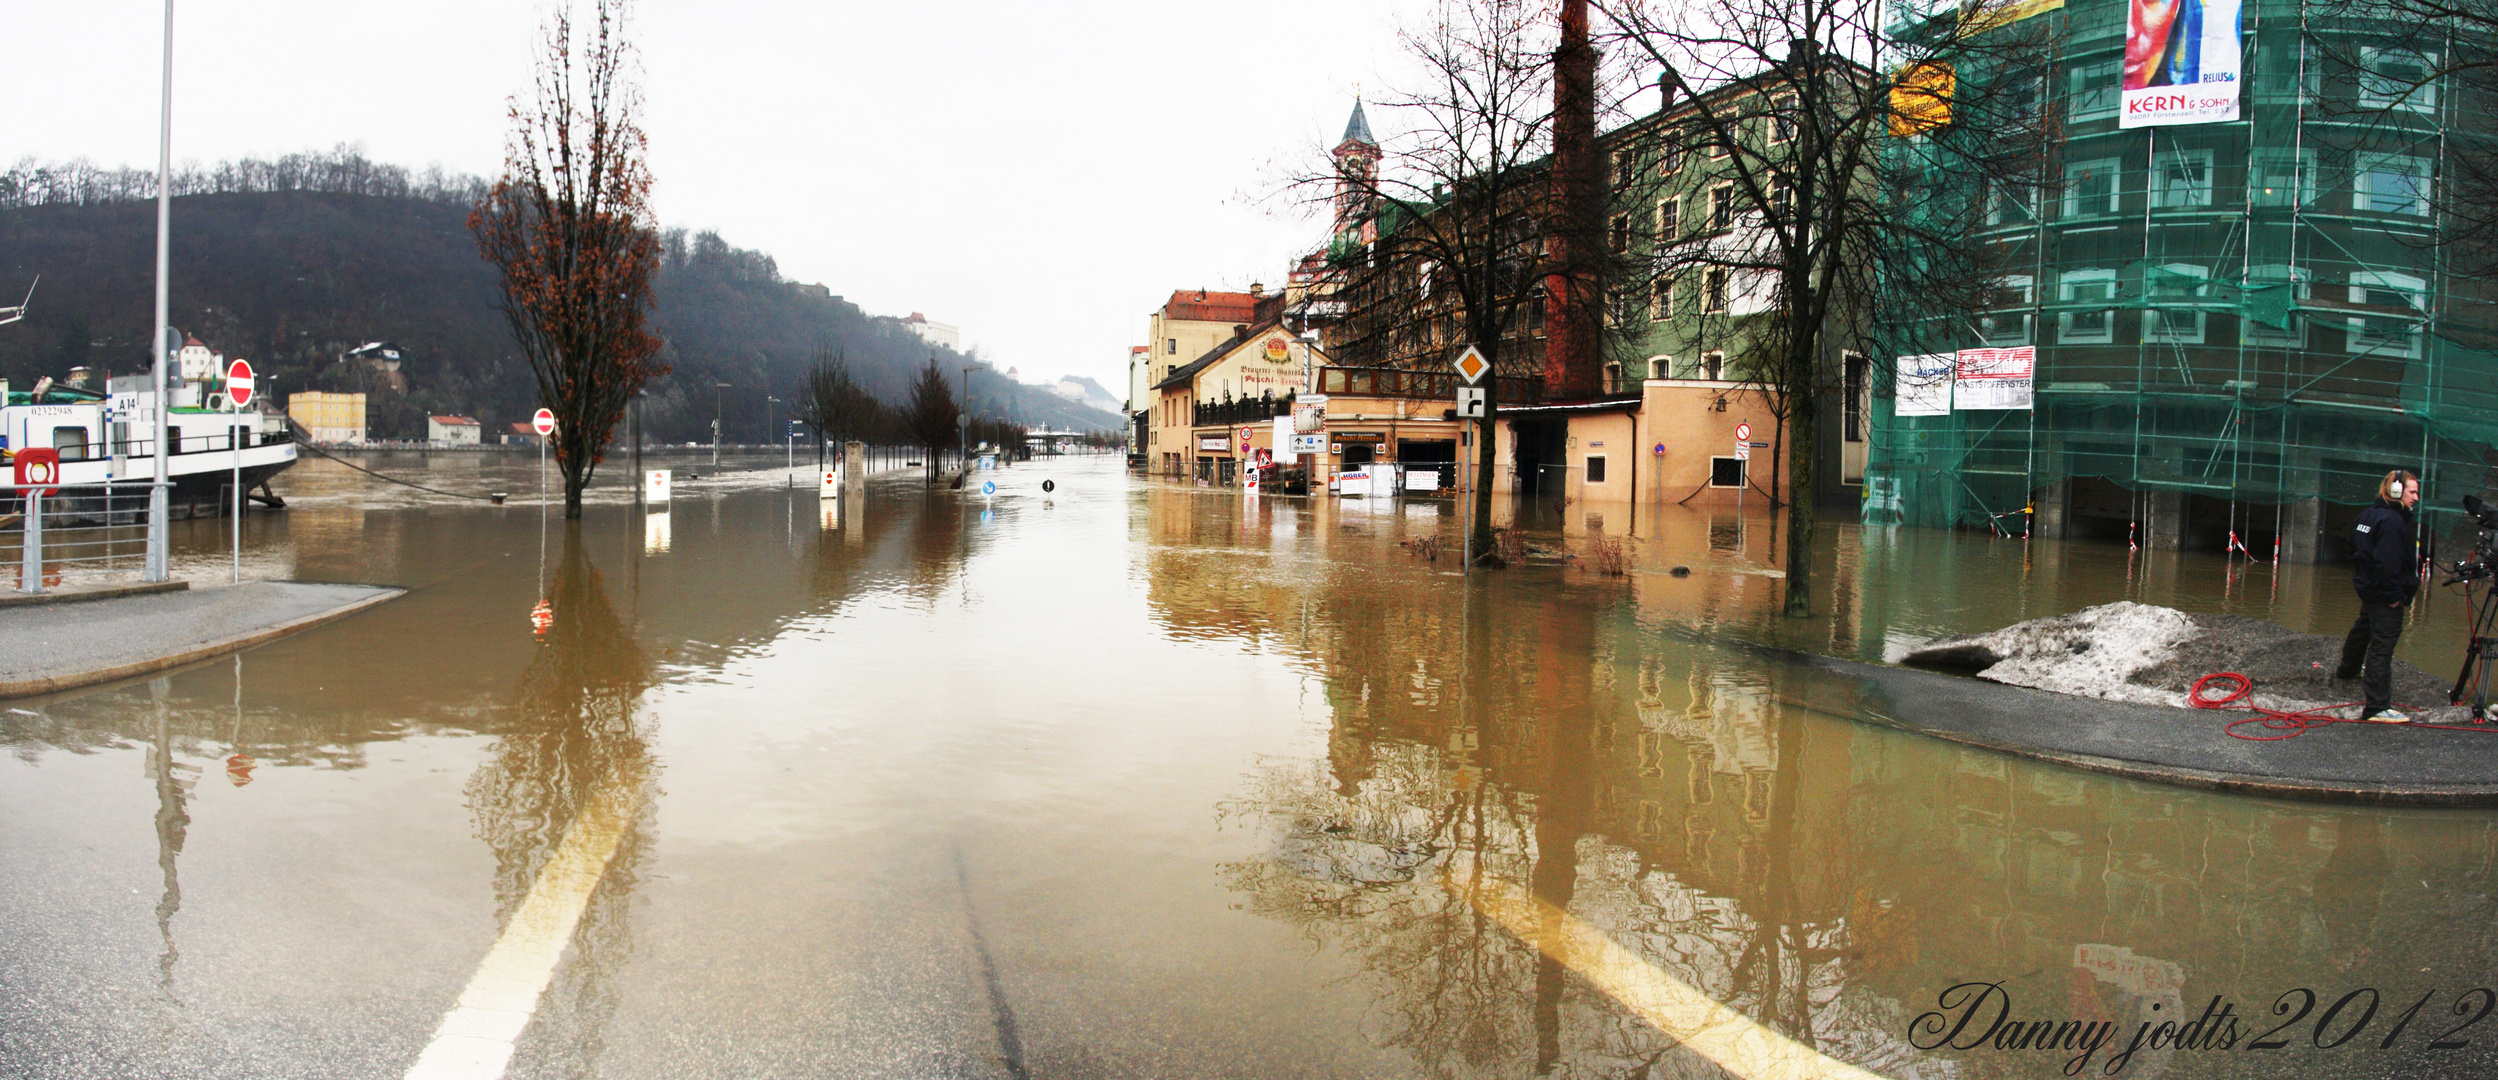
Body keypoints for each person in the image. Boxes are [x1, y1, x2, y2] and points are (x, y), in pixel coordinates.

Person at [2337, 470, 2421, 721]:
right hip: (2384, 594)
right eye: (2412, 492)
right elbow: (2388, 564)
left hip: (2368, 588)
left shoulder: (2367, 515)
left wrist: (2367, 579)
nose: (2416, 497)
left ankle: (2347, 671)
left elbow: (2351, 547)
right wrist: (2394, 596)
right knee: (2382, 646)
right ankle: (2377, 707)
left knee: (2363, 628)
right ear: (2395, 491)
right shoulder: (2394, 522)